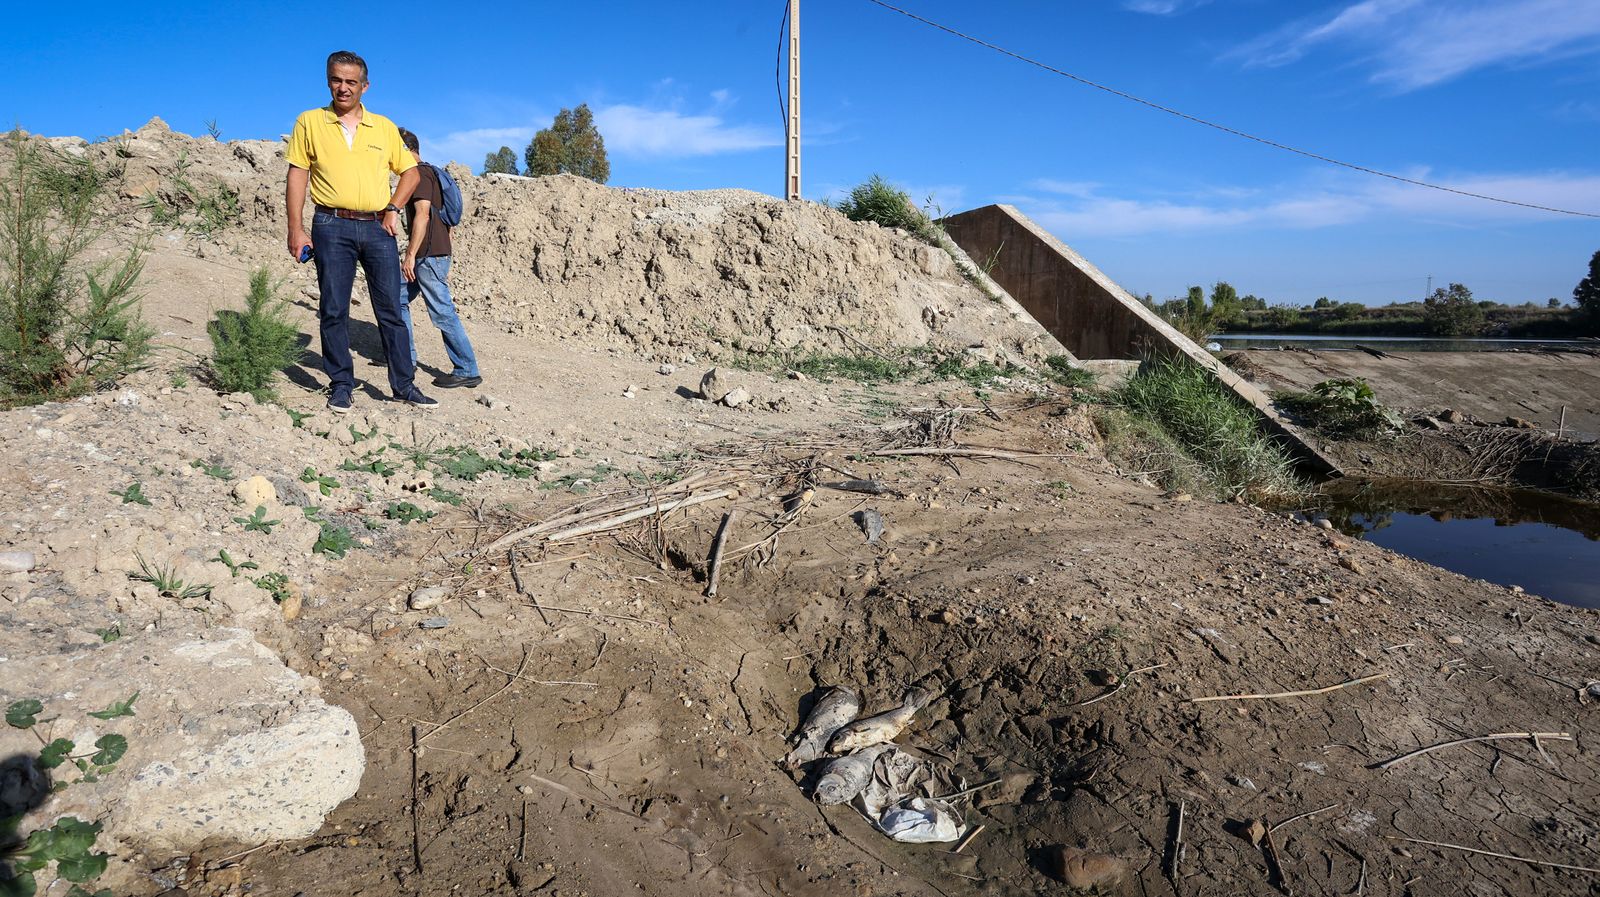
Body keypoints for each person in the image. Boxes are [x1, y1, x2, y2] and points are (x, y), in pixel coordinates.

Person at [284, 49, 436, 413]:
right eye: (337, 80)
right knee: (333, 308)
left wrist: (393, 208)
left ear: (365, 86)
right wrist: (295, 229)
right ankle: (341, 384)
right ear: (328, 81)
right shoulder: (309, 122)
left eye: (351, 82)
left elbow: (411, 173)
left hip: (376, 228)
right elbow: (297, 175)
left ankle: (404, 386)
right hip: (330, 224)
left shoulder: (383, 127)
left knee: (391, 310)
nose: (343, 88)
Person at [396, 128, 483, 388]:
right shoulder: (431, 172)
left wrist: (410, 254)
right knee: (396, 297)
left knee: (443, 312)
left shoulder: (420, 175)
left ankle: (467, 369)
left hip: (428, 256)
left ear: (405, 149)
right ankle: (404, 358)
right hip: (433, 253)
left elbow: (422, 214)